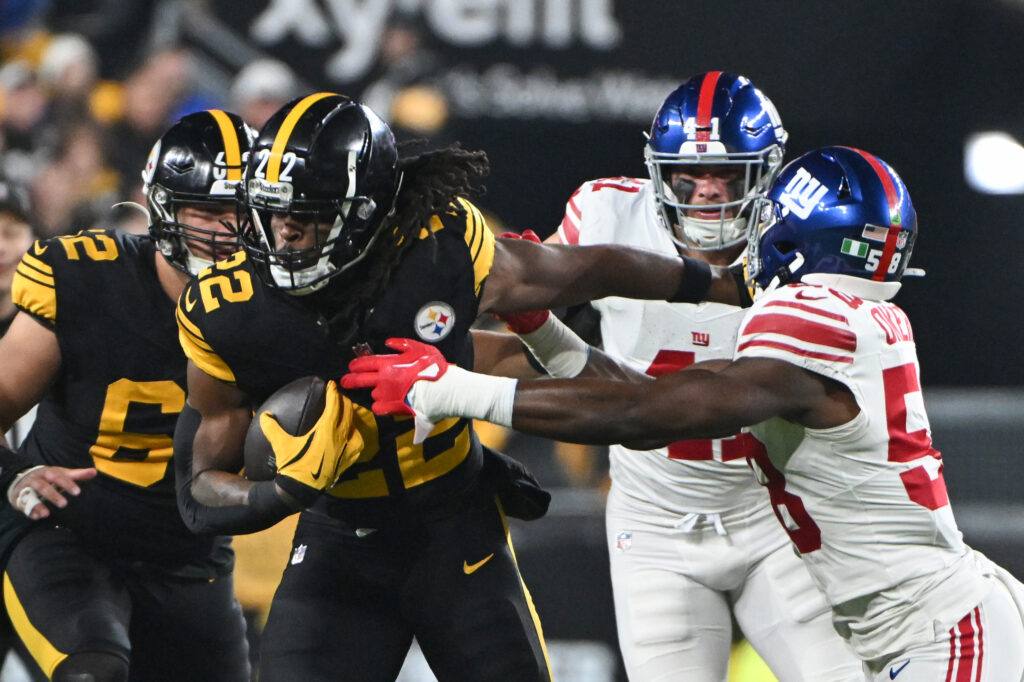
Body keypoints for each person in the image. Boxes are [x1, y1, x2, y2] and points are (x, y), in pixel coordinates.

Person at [345, 147, 1024, 682]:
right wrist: (543, 329)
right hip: (921, 627)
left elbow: (646, 413)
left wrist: (452, 390)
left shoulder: (810, 317)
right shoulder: (855, 316)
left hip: (936, 633)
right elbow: (638, 390)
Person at [172, 92, 710, 682]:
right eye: (274, 214)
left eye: (311, 216)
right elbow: (197, 489)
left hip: (453, 523)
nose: (287, 235)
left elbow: (579, 270)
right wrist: (281, 494)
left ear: (369, 212)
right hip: (338, 542)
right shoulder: (225, 308)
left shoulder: (437, 247)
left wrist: (706, 281)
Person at [537, 71, 861, 680]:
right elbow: (525, 301)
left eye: (728, 174)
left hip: (780, 516)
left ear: (766, 172)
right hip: (656, 525)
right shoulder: (611, 213)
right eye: (691, 174)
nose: (709, 192)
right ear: (659, 171)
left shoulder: (805, 238)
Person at [0, 110, 254, 682]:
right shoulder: (87, 279)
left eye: (246, 213)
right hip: (67, 537)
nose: (230, 231)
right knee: (94, 671)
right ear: (164, 207)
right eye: (210, 211)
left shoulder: (279, 306)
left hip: (192, 560)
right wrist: (12, 475)